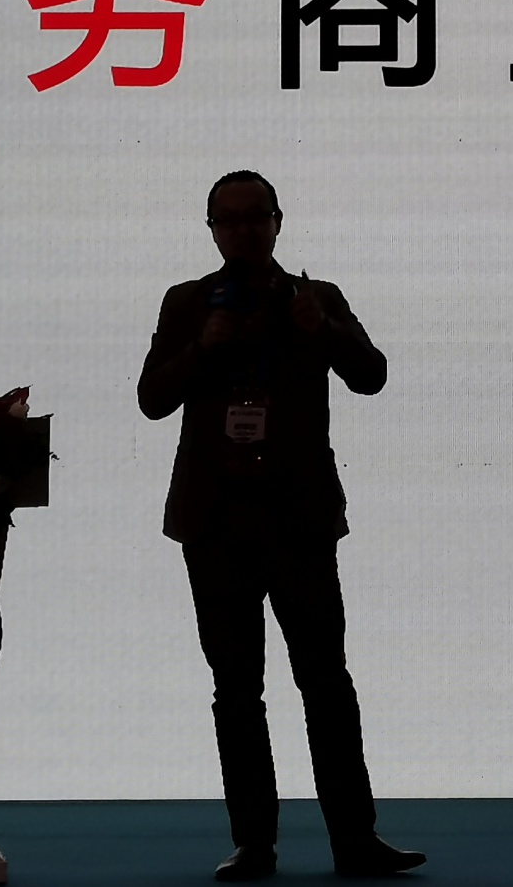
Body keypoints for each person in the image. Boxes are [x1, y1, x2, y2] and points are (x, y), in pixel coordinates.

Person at [139, 169, 426, 882]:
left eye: (254, 216)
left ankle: (355, 839)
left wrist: (322, 331)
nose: (242, 229)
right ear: (212, 229)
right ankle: (254, 843)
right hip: (215, 522)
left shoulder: (315, 298)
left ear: (278, 221)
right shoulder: (186, 302)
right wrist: (202, 348)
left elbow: (372, 374)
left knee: (326, 681)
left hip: (298, 520)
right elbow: (151, 397)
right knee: (236, 688)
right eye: (227, 219)